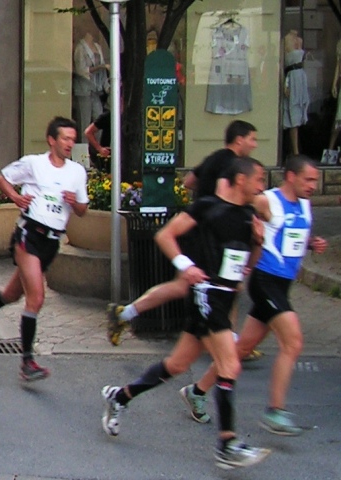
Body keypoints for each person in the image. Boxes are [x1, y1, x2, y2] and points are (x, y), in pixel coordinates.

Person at [102, 157, 269, 470]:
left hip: (223, 295)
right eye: (258, 179)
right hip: (207, 295)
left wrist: (258, 242)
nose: (262, 186)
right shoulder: (206, 208)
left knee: (176, 364)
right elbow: (165, 235)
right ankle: (227, 443)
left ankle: (120, 397)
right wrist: (186, 266)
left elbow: (249, 261)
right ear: (240, 180)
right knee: (229, 363)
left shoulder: (248, 215)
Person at [180, 155, 327, 435]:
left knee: (241, 349)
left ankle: (197, 391)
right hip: (264, 281)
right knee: (293, 342)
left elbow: (288, 236)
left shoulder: (306, 206)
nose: (312, 185)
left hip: (283, 284)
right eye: (308, 179)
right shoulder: (266, 201)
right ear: (291, 177)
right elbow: (232, 209)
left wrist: (311, 243)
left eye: (315, 181)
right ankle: (275, 411)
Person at [107, 120, 259, 345]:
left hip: (199, 231)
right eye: (252, 139)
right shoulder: (233, 165)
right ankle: (229, 339)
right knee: (228, 284)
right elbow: (223, 194)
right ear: (239, 139)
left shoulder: (214, 157)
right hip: (208, 236)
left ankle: (124, 313)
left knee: (187, 287)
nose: (254, 145)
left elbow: (189, 181)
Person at [0, 117, 89, 381]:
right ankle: (27, 362)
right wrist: (16, 197)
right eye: (65, 138)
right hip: (29, 234)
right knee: (37, 298)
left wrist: (75, 203)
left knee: (11, 294)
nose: (70, 143)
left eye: (73, 139)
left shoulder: (77, 172)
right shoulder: (34, 163)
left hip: (52, 241)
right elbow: (2, 178)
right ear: (52, 140)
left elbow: (83, 211)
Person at [73, 32, 109, 139]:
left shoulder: (97, 47)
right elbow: (81, 70)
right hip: (84, 90)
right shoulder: (80, 48)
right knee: (84, 121)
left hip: (96, 90)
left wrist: (106, 86)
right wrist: (101, 67)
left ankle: (97, 149)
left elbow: (102, 71)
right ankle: (83, 152)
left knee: (99, 119)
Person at [282, 30, 309, 156]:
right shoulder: (285, 40)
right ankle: (295, 150)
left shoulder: (300, 40)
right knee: (293, 111)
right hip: (291, 76)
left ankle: (297, 148)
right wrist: (285, 83)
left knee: (300, 109)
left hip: (300, 76)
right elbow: (282, 63)